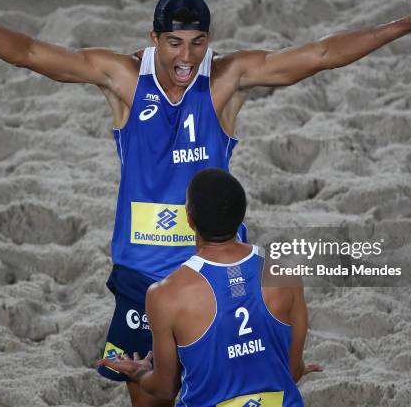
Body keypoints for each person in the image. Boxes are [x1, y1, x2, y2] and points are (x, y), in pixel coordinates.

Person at [0, 0, 411, 407]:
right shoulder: (124, 79)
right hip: (142, 274)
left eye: (198, 42)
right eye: (175, 43)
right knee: (152, 396)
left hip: (214, 271)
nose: (187, 56)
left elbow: (322, 54)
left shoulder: (226, 80)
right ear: (154, 39)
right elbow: (28, 54)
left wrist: (403, 24)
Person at [98, 168, 323, 406]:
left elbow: (165, 389)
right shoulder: (286, 274)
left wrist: (139, 373)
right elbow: (292, 372)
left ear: (189, 220)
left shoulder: (165, 295)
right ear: (241, 216)